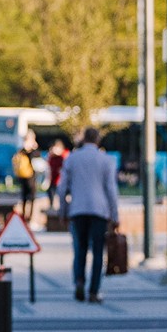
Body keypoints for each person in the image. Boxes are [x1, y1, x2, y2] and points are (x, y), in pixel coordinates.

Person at [54, 126, 120, 304]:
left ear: (84, 139)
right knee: (98, 252)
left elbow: (62, 188)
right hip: (99, 211)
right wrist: (115, 215)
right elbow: (111, 191)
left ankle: (79, 281)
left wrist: (62, 211)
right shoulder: (106, 160)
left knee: (79, 249)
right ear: (98, 140)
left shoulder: (72, 158)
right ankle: (93, 291)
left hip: (78, 210)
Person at [11, 136, 38, 221]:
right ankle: (24, 215)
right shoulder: (22, 151)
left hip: (30, 177)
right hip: (26, 177)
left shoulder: (30, 151)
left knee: (31, 197)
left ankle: (29, 216)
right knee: (25, 197)